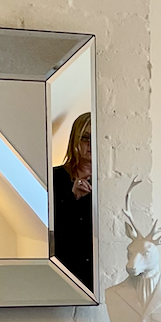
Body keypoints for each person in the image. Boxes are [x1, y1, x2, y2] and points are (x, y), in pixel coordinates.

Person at [52, 112, 93, 290]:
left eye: (95, 137)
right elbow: (51, 227)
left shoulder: (108, 180)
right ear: (75, 140)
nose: (90, 144)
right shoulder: (54, 177)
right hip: (64, 267)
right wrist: (73, 198)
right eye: (85, 138)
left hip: (95, 270)